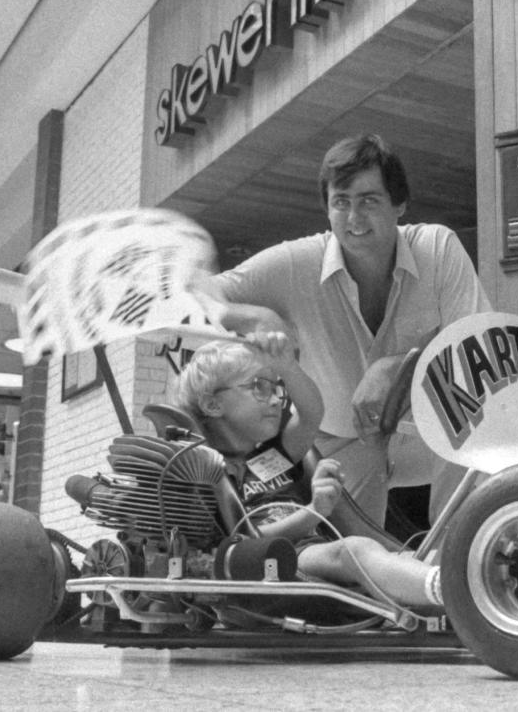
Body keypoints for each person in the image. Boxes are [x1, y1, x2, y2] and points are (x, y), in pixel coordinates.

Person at [202, 133, 491, 525]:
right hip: (340, 445)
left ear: (399, 205)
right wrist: (253, 317)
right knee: (358, 560)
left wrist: (394, 367)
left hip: (426, 439)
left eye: (369, 201)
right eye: (341, 203)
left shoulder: (438, 249)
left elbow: (475, 348)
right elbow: (198, 294)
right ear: (328, 209)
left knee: (474, 414)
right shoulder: (296, 262)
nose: (354, 219)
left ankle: (455, 555)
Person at [177, 335, 442, 608]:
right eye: (258, 387)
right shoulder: (209, 472)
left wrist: (288, 367)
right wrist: (313, 511)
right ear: (212, 405)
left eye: (275, 388)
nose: (274, 401)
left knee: (419, 556)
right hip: (273, 559)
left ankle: (466, 584)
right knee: (355, 550)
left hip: (309, 551)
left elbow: (311, 412)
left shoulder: (272, 455)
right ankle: (447, 593)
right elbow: (244, 540)